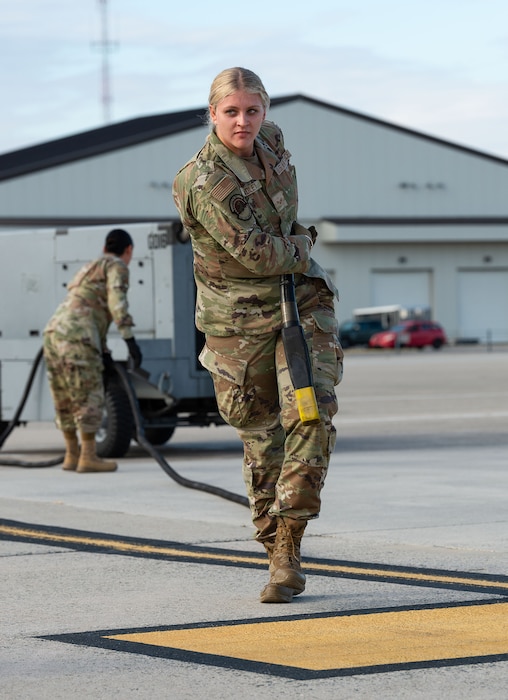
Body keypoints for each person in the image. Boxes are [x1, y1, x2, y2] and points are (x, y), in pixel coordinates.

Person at [172, 67, 343, 604]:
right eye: (231, 112)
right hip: (238, 328)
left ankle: (290, 539)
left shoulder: (272, 143)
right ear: (212, 114)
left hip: (299, 306)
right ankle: (275, 552)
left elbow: (279, 237)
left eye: (252, 110)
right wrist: (304, 243)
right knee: (263, 439)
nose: (243, 122)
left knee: (313, 414)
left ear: (265, 112)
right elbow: (257, 253)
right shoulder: (203, 182)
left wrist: (294, 250)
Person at [43, 228, 142, 474]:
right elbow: (115, 302)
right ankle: (88, 457)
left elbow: (90, 307)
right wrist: (130, 340)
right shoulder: (117, 265)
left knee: (64, 395)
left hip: (54, 331)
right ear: (128, 250)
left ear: (104, 247)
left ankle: (71, 454)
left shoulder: (90, 266)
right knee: (89, 394)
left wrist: (104, 349)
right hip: (79, 334)